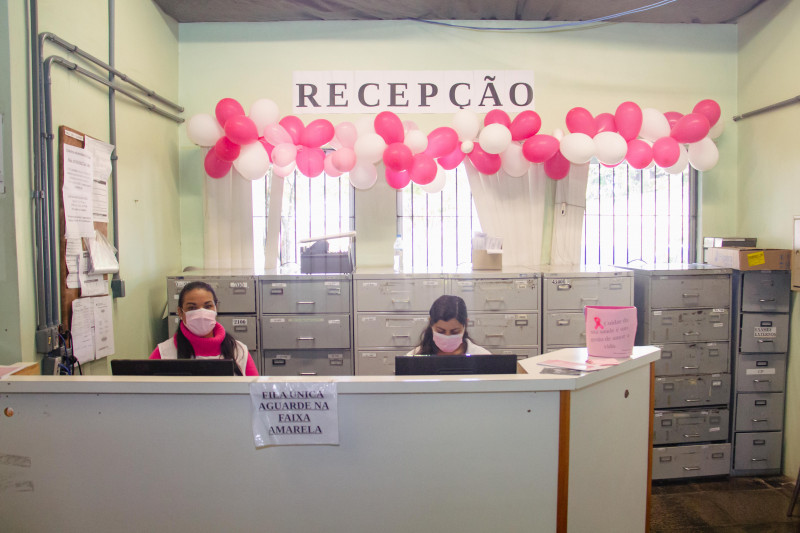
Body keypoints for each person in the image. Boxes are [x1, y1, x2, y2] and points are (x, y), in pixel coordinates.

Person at [150, 281, 259, 376]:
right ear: (180, 312)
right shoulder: (163, 353)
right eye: (192, 308)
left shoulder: (238, 351)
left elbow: (254, 390)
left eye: (208, 306)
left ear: (216, 308)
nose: (201, 313)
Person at [407, 295, 492, 356]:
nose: (447, 336)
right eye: (440, 331)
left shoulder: (483, 356)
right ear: (431, 324)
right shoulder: (413, 358)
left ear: (465, 324)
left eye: (455, 332)